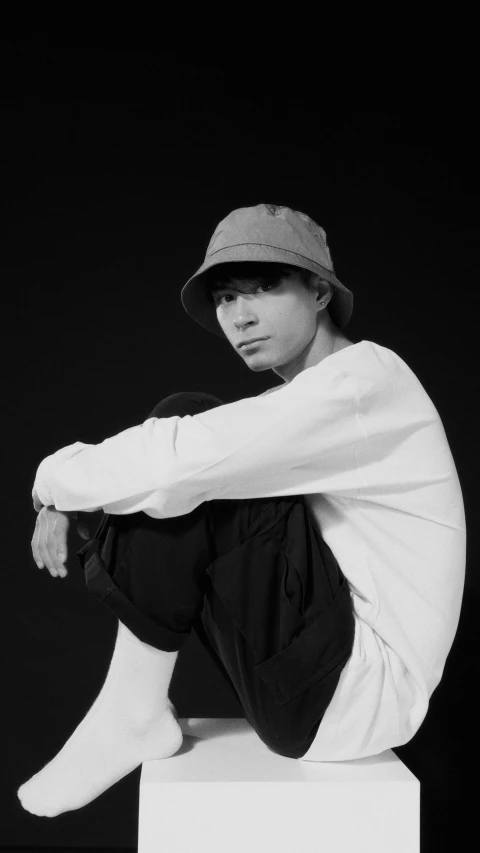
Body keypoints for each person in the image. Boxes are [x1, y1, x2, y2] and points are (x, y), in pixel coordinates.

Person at [18, 203, 466, 818]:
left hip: (355, 694)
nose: (241, 316)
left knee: (189, 435)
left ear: (317, 292)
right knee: (186, 457)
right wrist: (64, 495)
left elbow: (176, 461)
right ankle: (135, 711)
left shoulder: (364, 383)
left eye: (264, 288)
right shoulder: (310, 400)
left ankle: (131, 713)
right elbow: (170, 467)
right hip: (311, 689)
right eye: (227, 298)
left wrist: (54, 482)